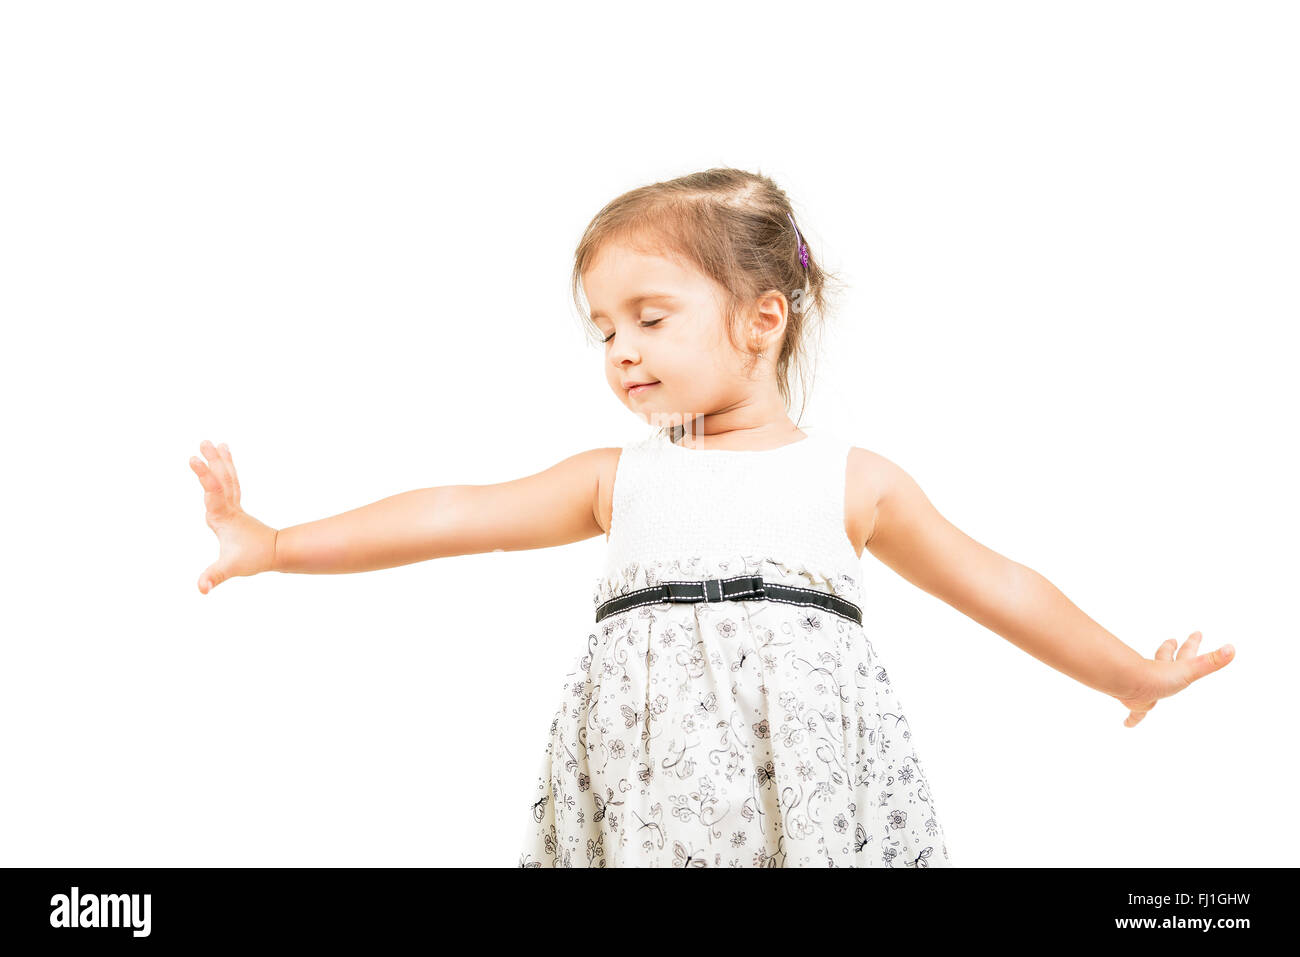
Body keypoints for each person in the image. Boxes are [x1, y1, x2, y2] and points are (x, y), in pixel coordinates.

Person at [189, 167, 1235, 868]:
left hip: (806, 792)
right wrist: (276, 544)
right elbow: (457, 512)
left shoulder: (851, 479)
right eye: (602, 330)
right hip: (646, 799)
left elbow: (997, 584)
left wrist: (1129, 674)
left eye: (649, 318)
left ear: (761, 319)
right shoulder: (617, 478)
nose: (621, 352)